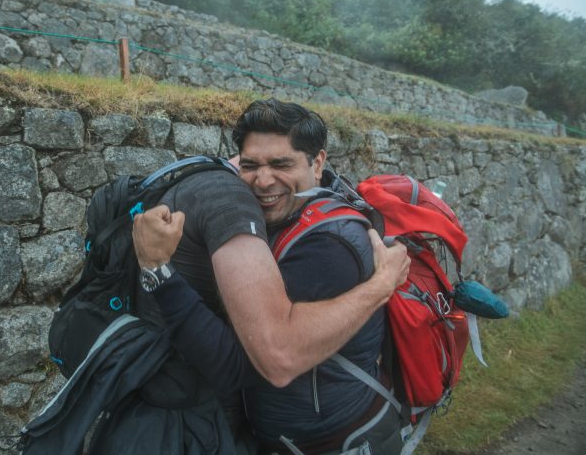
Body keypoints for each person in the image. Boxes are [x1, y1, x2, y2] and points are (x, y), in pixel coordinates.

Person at [132, 100, 410, 451]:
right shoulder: (305, 198)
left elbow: (246, 363)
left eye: (281, 164)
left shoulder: (329, 248)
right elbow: (257, 167)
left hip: (339, 441)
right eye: (251, 165)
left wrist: (157, 269)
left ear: (318, 162)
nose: (263, 181)